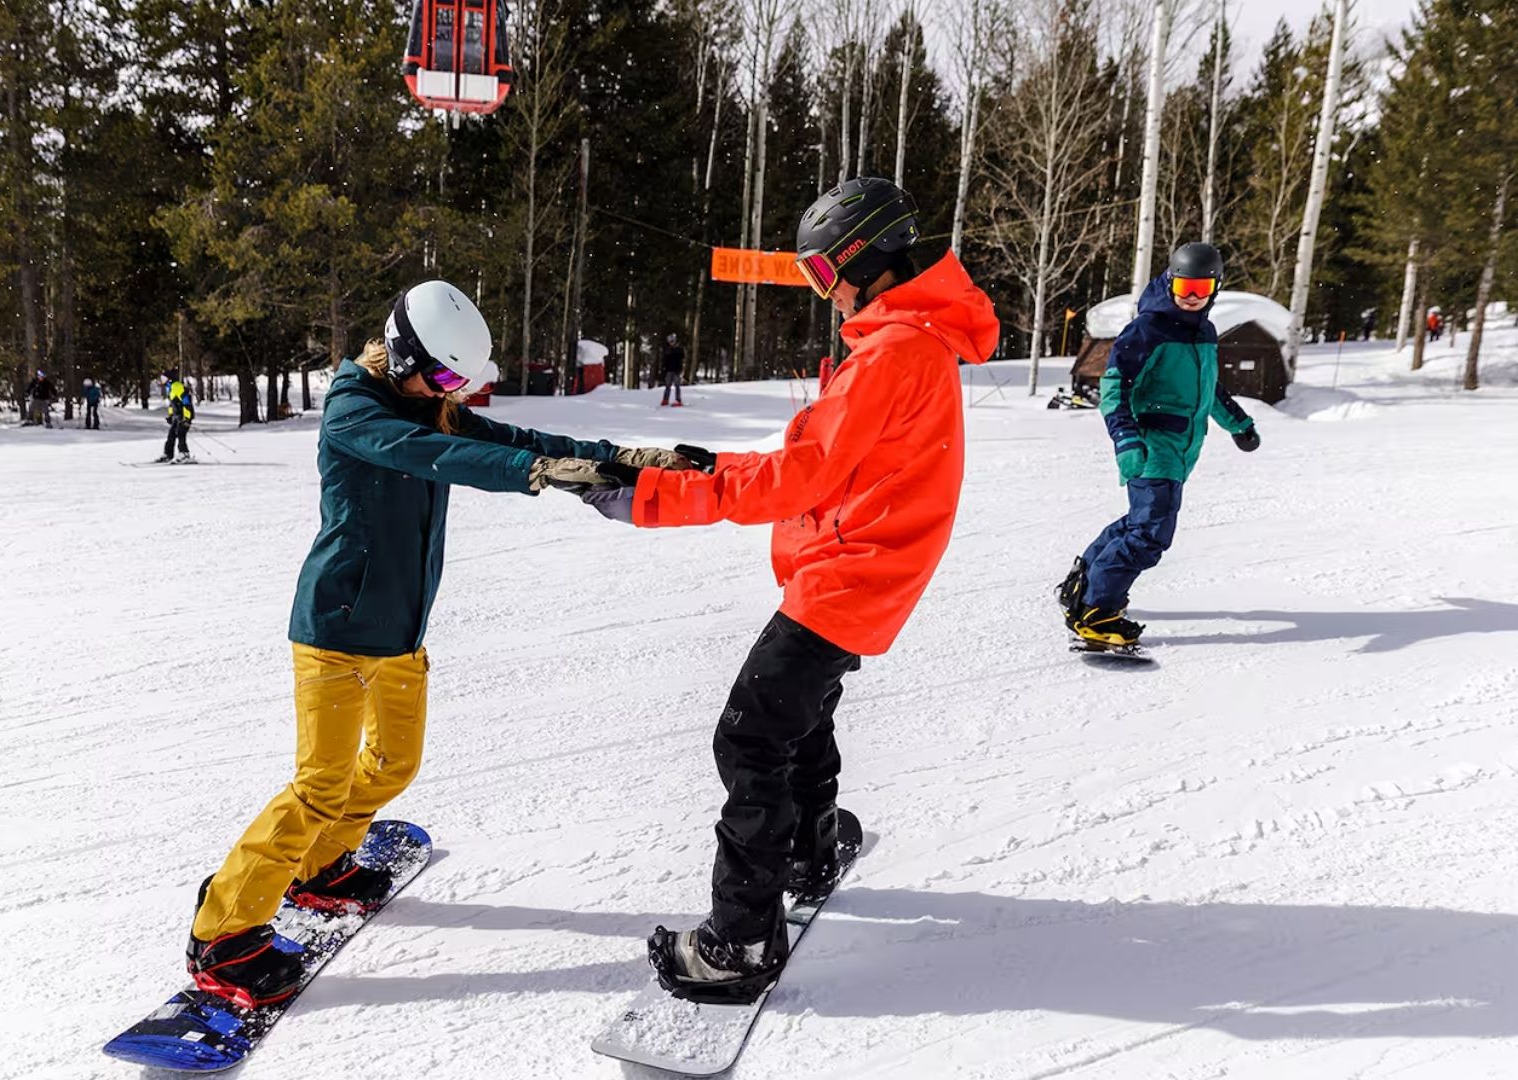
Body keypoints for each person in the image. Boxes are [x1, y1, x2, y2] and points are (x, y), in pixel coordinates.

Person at [180, 279, 693, 1007]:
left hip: (400, 631)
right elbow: (427, 454)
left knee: (392, 764)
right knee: (321, 784)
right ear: (400, 352)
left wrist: (620, 456)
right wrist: (534, 476)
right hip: (335, 630)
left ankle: (321, 867)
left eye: (462, 382)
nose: (450, 392)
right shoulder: (356, 409)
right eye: (445, 375)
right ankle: (223, 931)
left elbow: (517, 439)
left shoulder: (428, 405)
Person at [573, 178, 1000, 1002]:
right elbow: (817, 462)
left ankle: (738, 942)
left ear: (859, 260)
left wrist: (659, 498)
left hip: (852, 574)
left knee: (750, 741)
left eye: (818, 272)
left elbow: (801, 476)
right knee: (800, 720)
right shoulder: (904, 340)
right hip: (858, 566)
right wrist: (702, 465)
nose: (820, 290)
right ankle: (807, 847)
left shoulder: (895, 352)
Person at [1055, 242, 1260, 649]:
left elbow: (1208, 388)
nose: (1192, 297)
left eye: (1202, 288)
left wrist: (1238, 423)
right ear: (1170, 282)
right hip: (1152, 446)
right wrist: (1126, 440)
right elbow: (1114, 388)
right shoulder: (1148, 329)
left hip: (1182, 449)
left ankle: (1083, 584)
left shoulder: (1204, 331)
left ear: (1216, 288)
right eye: (1185, 287)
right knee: (1151, 535)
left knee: (1138, 523)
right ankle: (1099, 612)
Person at [156, 369, 193, 463]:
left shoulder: (177, 386)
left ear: (170, 379)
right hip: (177, 416)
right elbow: (172, 404)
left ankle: (184, 454)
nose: (162, 380)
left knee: (181, 434)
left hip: (183, 415)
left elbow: (186, 402)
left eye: (164, 378)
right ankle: (168, 454)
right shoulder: (170, 387)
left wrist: (187, 418)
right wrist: (171, 416)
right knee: (171, 434)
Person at [659, 332, 685, 407]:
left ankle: (678, 399)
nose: (671, 343)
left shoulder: (679, 349)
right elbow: (664, 360)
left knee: (677, 385)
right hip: (669, 370)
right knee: (667, 386)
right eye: (670, 342)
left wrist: (680, 369)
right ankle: (665, 399)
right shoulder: (667, 350)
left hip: (676, 370)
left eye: (672, 341)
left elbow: (681, 358)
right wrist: (663, 369)